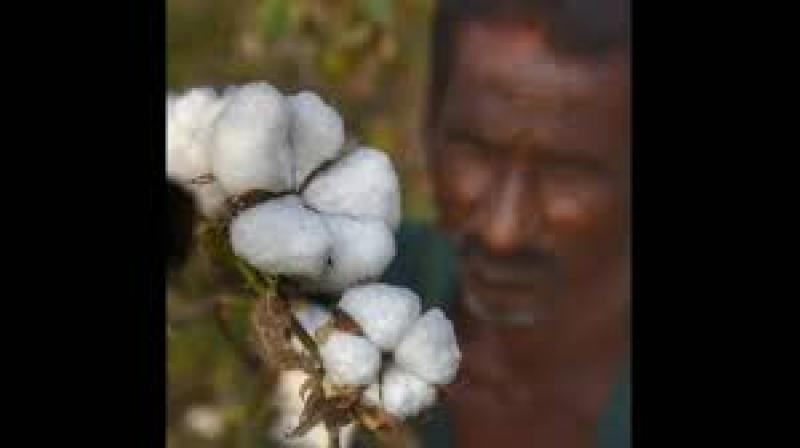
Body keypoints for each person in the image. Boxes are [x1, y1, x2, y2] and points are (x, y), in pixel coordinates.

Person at [379, 0, 630, 446]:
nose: (502, 231)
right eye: (475, 153)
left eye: (567, 173)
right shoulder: (345, 290)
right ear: (429, 127)